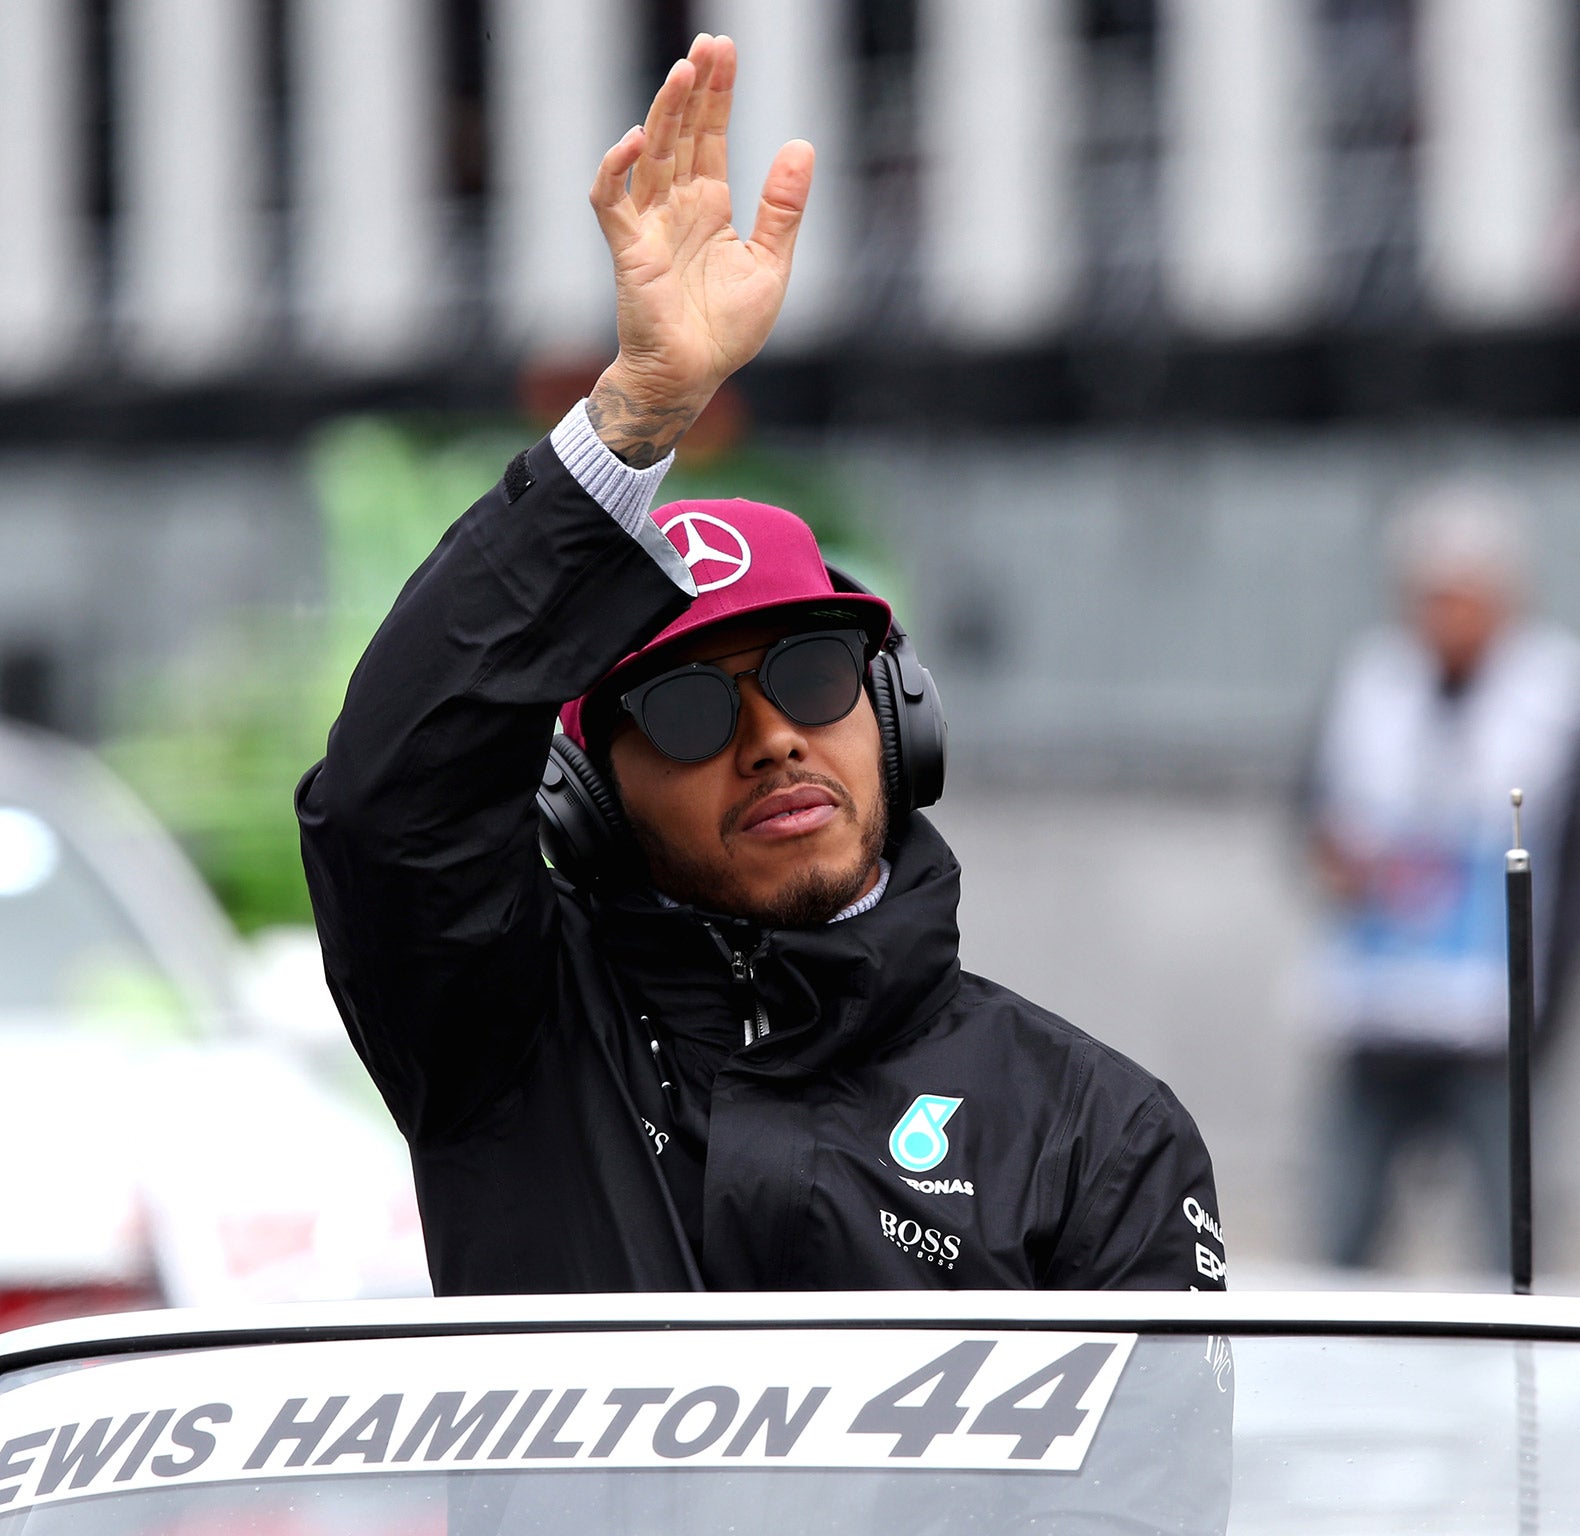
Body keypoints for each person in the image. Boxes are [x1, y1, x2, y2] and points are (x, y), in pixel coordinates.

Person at [297, 36, 1224, 1296]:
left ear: (897, 718)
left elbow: (1146, 1497)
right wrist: (636, 409)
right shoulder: (506, 1039)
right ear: (589, 798)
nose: (774, 736)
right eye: (683, 711)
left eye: (809, 676)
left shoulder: (1097, 1137)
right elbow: (390, 803)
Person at [1298, 480, 1580, 1271]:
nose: (1441, 617)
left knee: (1514, 1240)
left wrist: (1550, 999)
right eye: (1428, 597)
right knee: (1342, 1235)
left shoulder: (1562, 695)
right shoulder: (1370, 683)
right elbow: (1307, 814)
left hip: (1495, 1027)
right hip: (1376, 1014)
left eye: (1461, 598)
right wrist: (1332, 862)